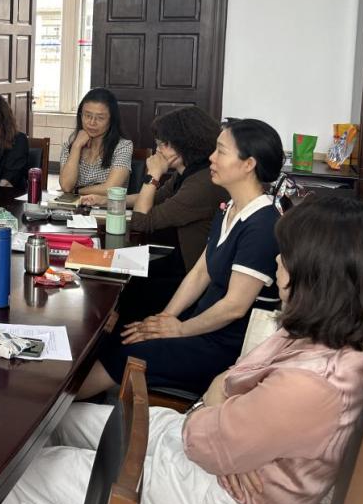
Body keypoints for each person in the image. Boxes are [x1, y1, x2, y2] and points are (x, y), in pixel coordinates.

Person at [0, 196, 363, 504]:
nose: (277, 260)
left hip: (220, 497)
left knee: (25, 472)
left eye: (287, 255)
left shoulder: (312, 382)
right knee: (57, 421)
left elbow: (203, 439)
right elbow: (230, 384)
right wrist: (224, 410)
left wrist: (218, 409)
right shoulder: (339, 332)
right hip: (214, 456)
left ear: (319, 273)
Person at [81, 118, 284, 398]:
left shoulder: (262, 225)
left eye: (221, 151)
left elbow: (235, 307)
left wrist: (178, 329)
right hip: (203, 326)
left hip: (224, 347)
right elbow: (200, 274)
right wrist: (164, 319)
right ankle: (77, 404)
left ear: (248, 164)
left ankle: (58, 408)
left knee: (127, 351)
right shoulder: (229, 209)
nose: (212, 158)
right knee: (124, 333)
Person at [83, 106, 228, 322]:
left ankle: (111, 334)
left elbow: (142, 222)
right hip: (179, 261)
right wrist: (107, 200)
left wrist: (153, 175)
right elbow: (154, 197)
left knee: (121, 286)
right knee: (111, 275)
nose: (158, 150)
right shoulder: (188, 173)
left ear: (186, 144)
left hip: (190, 276)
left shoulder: (202, 184)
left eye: (164, 144)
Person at [58, 88, 132, 196]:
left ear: (112, 120)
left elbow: (111, 188)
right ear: (80, 115)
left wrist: (77, 191)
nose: (92, 122)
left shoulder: (123, 146)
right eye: (87, 116)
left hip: (106, 206)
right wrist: (76, 146)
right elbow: (66, 186)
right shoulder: (70, 147)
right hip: (74, 206)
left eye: (100, 118)